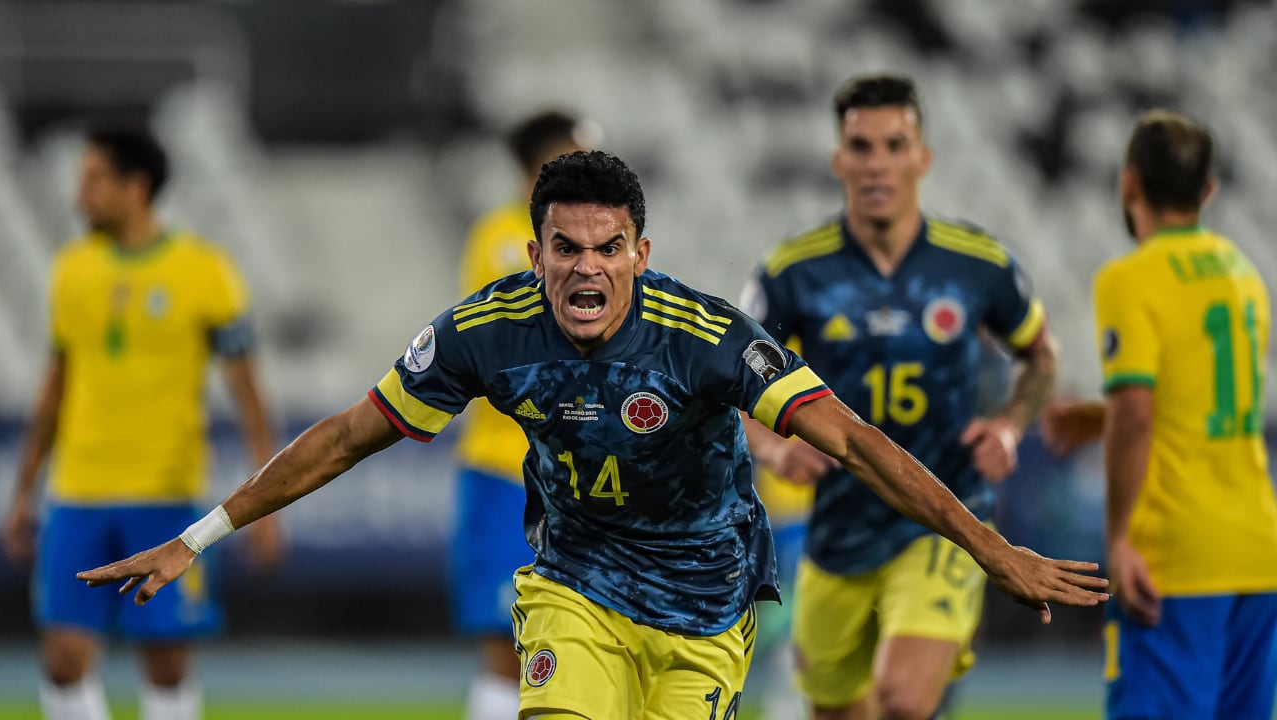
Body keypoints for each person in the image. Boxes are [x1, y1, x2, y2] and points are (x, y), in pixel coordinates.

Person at [78, 150, 1107, 720]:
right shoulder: (483, 332)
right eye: (562, 248)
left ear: (640, 252)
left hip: (704, 609)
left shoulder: (705, 339)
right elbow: (349, 436)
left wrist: (987, 545)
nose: (583, 268)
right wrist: (199, 535)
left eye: (606, 249)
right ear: (532, 253)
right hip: (573, 583)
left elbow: (855, 443)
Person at [740, 74, 1061, 720]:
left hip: (944, 520)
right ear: (839, 160)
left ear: (923, 158)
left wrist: (1007, 424)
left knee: (904, 700)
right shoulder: (791, 274)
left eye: (895, 144)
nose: (877, 163)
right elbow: (731, 388)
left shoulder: (978, 265)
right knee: (836, 708)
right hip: (838, 530)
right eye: (861, 146)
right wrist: (775, 452)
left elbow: (1042, 358)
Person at [2, 124, 282, 720]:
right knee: (62, 660)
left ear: (136, 186)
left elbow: (248, 392)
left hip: (166, 491)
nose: (81, 197)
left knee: (167, 661)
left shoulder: (204, 272)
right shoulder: (71, 271)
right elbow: (54, 388)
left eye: (94, 180)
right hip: (77, 491)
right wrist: (25, 490)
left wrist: (266, 506)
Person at [1041, 110, 1277, 720]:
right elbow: (1199, 404)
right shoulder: (1244, 276)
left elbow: (1141, 414)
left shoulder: (1131, 278)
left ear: (1128, 184)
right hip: (1255, 549)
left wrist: (1119, 538)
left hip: (1177, 553)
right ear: (1209, 191)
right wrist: (1100, 417)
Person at [451, 109, 596, 720]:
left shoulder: (585, 239)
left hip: (576, 474)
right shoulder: (502, 240)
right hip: (507, 471)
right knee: (506, 644)